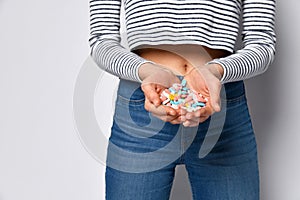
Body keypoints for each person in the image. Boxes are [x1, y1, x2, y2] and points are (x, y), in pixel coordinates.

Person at [89, 0, 276, 199]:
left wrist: (215, 71)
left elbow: (262, 44)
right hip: (142, 108)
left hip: (220, 107)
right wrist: (146, 71)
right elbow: (101, 40)